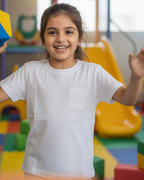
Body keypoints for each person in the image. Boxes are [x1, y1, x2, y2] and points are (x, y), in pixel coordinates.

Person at [0, 3, 144, 180]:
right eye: (52, 32)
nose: (61, 38)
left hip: (78, 172)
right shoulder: (30, 72)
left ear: (79, 37)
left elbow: (128, 99)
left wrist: (136, 77)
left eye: (69, 32)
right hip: (36, 171)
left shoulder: (93, 72)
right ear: (43, 38)